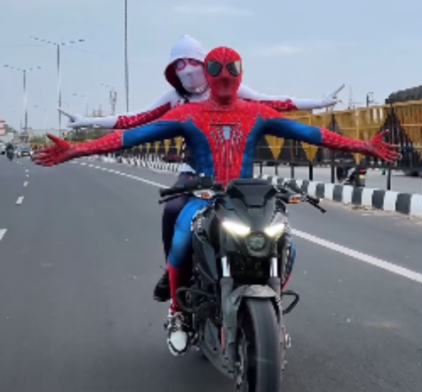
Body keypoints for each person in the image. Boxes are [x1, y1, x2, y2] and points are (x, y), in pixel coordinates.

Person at [34, 46, 399, 355]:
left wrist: (363, 146)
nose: (224, 75)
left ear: (241, 73)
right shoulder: (188, 114)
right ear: (207, 75)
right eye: (215, 68)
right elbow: (131, 136)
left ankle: (271, 312)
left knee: (288, 247)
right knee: (180, 242)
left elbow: (312, 134)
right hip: (203, 197)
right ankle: (177, 309)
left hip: (246, 199)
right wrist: (78, 150)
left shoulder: (255, 112)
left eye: (231, 68)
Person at [59, 34, 341, 303]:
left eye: (192, 62)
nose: (187, 70)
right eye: (179, 64)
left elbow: (273, 102)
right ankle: (172, 269)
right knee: (173, 210)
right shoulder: (174, 99)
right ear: (174, 70)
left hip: (235, 177)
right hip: (194, 173)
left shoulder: (231, 89)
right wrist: (87, 122)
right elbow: (135, 120)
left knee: (272, 224)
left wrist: (319, 103)